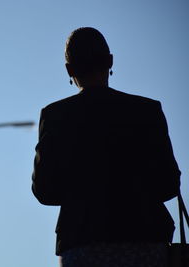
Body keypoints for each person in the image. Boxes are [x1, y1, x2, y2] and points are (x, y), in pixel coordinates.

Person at [31, 27, 181, 267]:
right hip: (146, 241)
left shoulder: (55, 116)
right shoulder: (147, 111)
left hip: (83, 243)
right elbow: (169, 185)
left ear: (69, 70)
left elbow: (45, 190)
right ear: (110, 61)